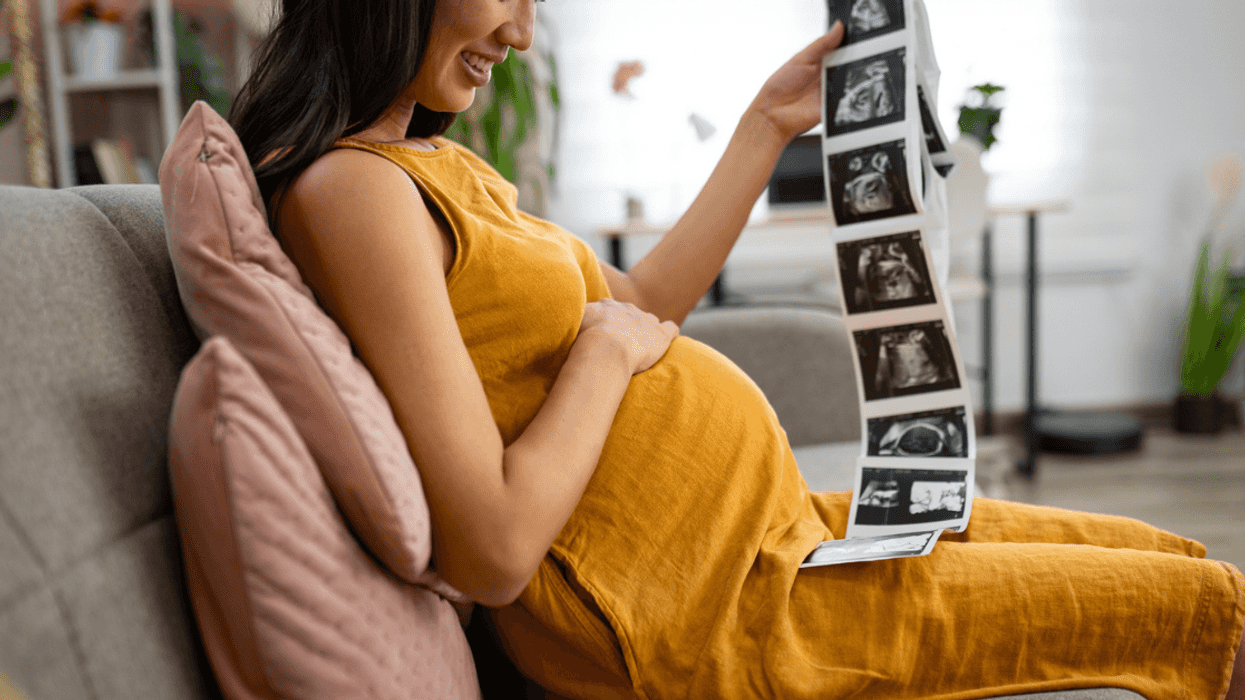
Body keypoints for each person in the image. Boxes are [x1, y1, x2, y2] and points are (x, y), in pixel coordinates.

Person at [228, 1, 1245, 698]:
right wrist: (602, 356)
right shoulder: (350, 190)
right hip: (721, 615)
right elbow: (491, 547)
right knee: (1209, 609)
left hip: (782, 536)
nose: (523, 33)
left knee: (1173, 555)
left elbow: (632, 303)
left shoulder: (430, 163)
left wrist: (767, 124)